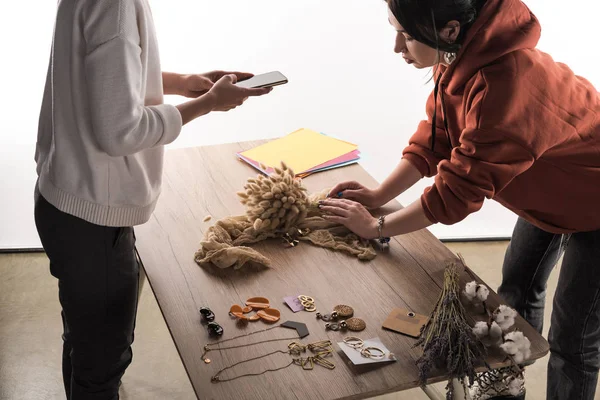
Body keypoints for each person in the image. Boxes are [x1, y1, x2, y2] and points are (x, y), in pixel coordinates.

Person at [320, 0, 600, 399]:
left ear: (450, 30)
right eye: (394, 30)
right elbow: (436, 139)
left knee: (573, 338)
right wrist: (381, 195)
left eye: (407, 36)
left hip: (593, 199)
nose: (397, 47)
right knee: (515, 298)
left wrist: (377, 227)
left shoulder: (505, 86)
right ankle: (507, 390)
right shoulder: (457, 54)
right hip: (552, 190)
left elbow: (456, 194)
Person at [33, 0, 271, 398]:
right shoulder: (117, 6)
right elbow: (120, 132)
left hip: (66, 200)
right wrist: (208, 103)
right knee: (101, 361)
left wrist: (183, 82)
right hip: (94, 219)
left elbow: (102, 78)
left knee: (83, 339)